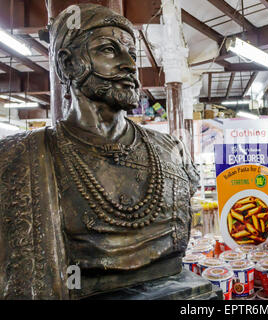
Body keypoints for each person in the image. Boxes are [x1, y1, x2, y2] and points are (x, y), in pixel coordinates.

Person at [0, 4, 199, 299]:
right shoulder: (19, 157)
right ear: (68, 64)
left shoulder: (172, 152)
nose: (130, 65)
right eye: (109, 50)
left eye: (132, 53)